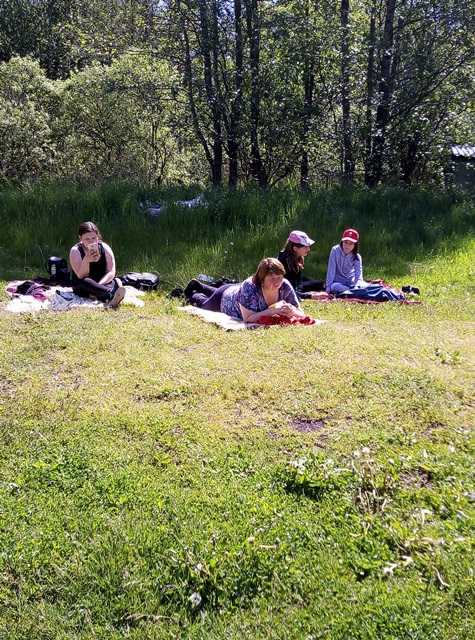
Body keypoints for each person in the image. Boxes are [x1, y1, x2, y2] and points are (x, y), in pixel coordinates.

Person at [186, 257, 304, 322]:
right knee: (203, 304)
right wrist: (273, 311)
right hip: (223, 299)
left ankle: (201, 286)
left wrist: (292, 311)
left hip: (235, 291)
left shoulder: (284, 285)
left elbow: (300, 313)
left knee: (215, 292)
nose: (277, 282)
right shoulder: (250, 287)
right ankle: (193, 292)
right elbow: (248, 319)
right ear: (262, 279)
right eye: (272, 279)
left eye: (279, 277)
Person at [69, 221, 125, 308]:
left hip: (103, 281)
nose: (91, 241)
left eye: (94, 238)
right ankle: (110, 294)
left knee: (113, 280)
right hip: (85, 284)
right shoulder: (75, 251)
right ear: (80, 238)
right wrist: (86, 260)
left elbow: (111, 271)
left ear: (98, 237)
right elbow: (81, 275)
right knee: (86, 282)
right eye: (87, 239)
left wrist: (99, 285)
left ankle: (104, 294)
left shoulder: (105, 248)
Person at [278, 230, 325, 299]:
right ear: (295, 248)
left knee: (321, 284)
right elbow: (289, 291)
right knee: (319, 286)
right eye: (305, 247)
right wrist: (311, 295)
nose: (308, 249)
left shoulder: (296, 257)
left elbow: (298, 283)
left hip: (296, 286)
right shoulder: (283, 263)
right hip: (288, 289)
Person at [325, 228, 366, 295]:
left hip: (351, 282)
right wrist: (328, 287)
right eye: (345, 242)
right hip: (338, 282)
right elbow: (331, 270)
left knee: (363, 285)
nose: (347, 246)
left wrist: (357, 286)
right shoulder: (335, 250)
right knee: (334, 286)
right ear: (342, 241)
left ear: (355, 245)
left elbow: (358, 276)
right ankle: (353, 292)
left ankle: (353, 291)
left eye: (351, 243)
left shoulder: (357, 256)